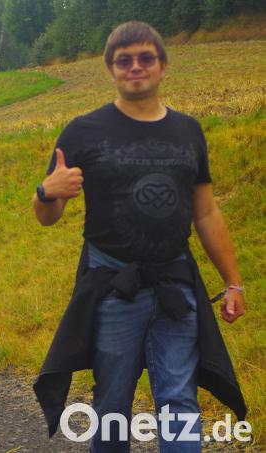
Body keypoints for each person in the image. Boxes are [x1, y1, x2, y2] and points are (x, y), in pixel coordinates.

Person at [31, 22, 247, 452]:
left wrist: (233, 282)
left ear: (163, 66)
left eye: (145, 58)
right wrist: (46, 193)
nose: (135, 67)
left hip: (175, 284)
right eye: (123, 60)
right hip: (113, 287)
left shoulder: (188, 131)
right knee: (112, 401)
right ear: (110, 69)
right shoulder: (82, 131)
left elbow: (205, 212)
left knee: (179, 400)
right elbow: (48, 217)